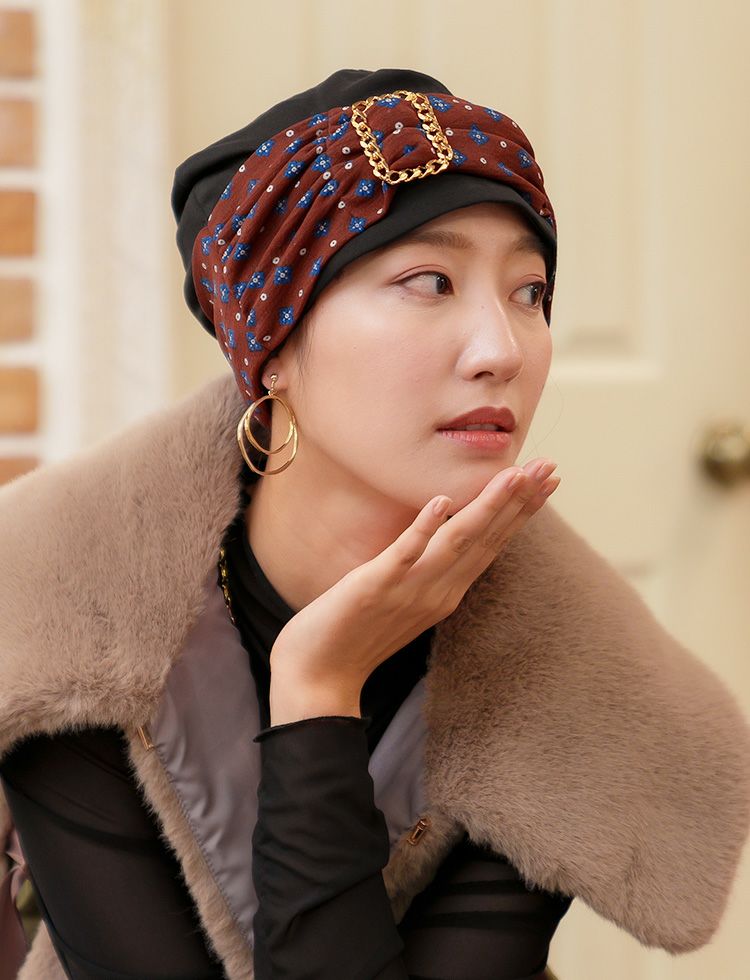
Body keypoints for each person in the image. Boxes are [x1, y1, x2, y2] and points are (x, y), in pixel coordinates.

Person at [0, 67, 748, 980]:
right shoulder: (68, 599)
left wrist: (317, 690)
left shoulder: (570, 672)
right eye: (430, 281)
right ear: (273, 347)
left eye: (530, 292)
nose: (501, 350)